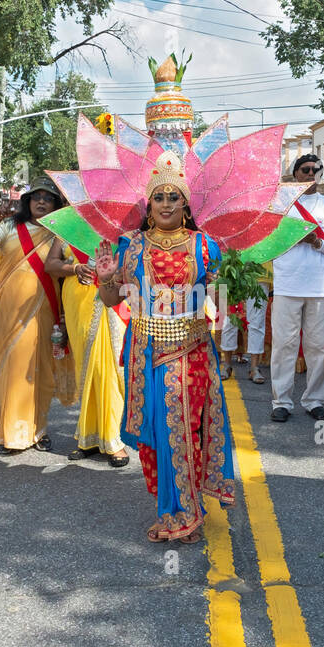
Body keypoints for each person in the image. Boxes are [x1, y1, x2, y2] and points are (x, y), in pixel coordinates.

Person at [94, 150, 235, 543]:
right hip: (145, 354)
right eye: (160, 197)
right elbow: (112, 300)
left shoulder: (205, 245)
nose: (167, 204)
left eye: (174, 197)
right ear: (149, 203)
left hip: (191, 350)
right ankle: (172, 505)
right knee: (157, 436)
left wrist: (224, 340)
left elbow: (220, 297)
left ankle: (182, 514)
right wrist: (107, 278)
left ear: (185, 203)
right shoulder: (130, 245)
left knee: (185, 428)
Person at [0, 181, 74, 455]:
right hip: (9, 312)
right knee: (10, 371)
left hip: (46, 310)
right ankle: (10, 434)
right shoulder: (10, 227)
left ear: (56, 205)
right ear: (26, 202)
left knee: (40, 372)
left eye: (48, 199)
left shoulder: (61, 233)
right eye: (36, 198)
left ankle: (38, 431)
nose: (41, 203)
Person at [269, 153, 324, 423]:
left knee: (318, 348)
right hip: (287, 284)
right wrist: (290, 239)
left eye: (316, 169)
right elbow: (267, 242)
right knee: (283, 347)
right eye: (305, 169)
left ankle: (314, 400)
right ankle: (281, 401)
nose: (311, 174)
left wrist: (316, 242)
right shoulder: (280, 205)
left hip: (320, 287)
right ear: (295, 173)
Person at [45, 231, 129, 467]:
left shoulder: (119, 228)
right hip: (77, 304)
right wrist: (75, 269)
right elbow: (50, 265)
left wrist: (111, 273)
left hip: (110, 298)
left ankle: (113, 440)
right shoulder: (69, 224)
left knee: (108, 370)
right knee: (85, 368)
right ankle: (88, 438)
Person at [220, 262, 269, 384]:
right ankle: (226, 365)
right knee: (228, 320)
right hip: (230, 269)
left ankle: (254, 368)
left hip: (260, 271)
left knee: (257, 322)